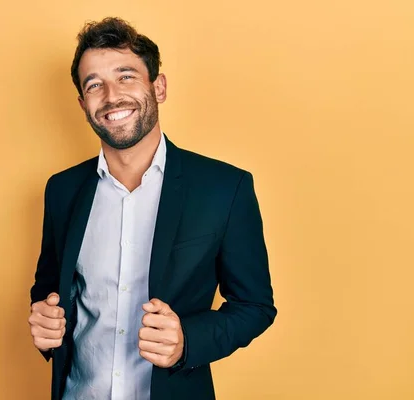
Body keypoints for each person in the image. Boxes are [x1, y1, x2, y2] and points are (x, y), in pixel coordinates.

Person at [28, 17, 277, 400]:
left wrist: (187, 341)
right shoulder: (61, 190)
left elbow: (255, 306)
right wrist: (45, 328)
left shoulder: (225, 188)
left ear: (157, 87)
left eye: (126, 76)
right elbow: (49, 294)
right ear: (83, 103)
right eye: (94, 84)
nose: (111, 96)